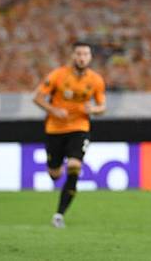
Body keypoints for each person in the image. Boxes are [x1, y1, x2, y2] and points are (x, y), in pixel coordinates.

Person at [33, 41, 106, 228]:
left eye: (86, 54)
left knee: (74, 166)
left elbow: (102, 107)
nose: (82, 57)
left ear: (90, 57)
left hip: (80, 127)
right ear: (73, 56)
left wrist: (94, 109)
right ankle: (57, 168)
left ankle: (59, 215)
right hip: (55, 129)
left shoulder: (96, 80)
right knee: (55, 174)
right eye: (79, 54)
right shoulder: (58, 75)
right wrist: (53, 110)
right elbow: (37, 97)